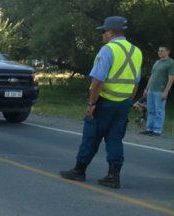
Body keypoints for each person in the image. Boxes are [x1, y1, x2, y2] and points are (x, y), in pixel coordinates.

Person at [59, 16, 142, 189]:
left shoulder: (107, 50)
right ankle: (113, 176)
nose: (102, 35)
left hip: (104, 102)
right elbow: (136, 82)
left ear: (111, 32)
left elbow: (98, 80)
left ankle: (79, 170)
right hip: (123, 103)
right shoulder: (136, 51)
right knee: (115, 139)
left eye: (103, 31)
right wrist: (129, 101)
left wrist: (92, 104)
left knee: (91, 136)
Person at [141, 45, 173, 136]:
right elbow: (152, 76)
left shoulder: (171, 63)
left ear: (168, 51)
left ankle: (157, 130)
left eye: (162, 51)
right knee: (150, 109)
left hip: (160, 90)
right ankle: (149, 128)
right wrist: (146, 89)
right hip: (151, 90)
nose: (160, 52)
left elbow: (171, 78)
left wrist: (166, 91)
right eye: (159, 51)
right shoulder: (157, 62)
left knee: (159, 110)